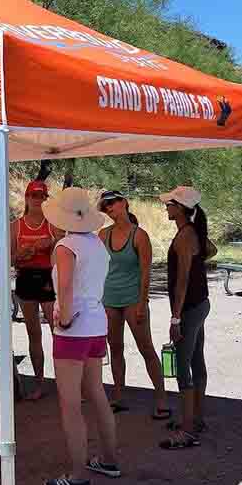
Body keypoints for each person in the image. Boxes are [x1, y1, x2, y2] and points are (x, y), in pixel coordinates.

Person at [40, 188, 120, 485]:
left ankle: (77, 475)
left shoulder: (66, 246)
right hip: (97, 323)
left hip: (74, 326)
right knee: (96, 391)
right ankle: (109, 459)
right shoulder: (96, 244)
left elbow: (66, 287)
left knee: (70, 402)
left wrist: (63, 319)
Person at [97, 190, 169, 419]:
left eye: (112, 203)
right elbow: (96, 268)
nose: (109, 209)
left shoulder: (139, 236)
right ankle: (118, 396)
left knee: (145, 347)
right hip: (109, 298)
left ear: (124, 203)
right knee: (115, 348)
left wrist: (142, 302)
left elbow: (146, 273)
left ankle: (161, 398)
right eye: (105, 206)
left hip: (132, 299)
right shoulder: (102, 234)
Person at [159, 186, 217, 450]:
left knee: (184, 367)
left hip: (189, 309)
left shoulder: (184, 237)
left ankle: (187, 429)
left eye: (170, 204)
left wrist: (175, 318)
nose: (166, 208)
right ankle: (196, 418)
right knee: (197, 360)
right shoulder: (194, 233)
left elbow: (181, 282)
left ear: (180, 208)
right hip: (201, 304)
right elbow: (210, 249)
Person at [11, 180, 61, 401]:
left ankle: (64, 382)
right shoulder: (16, 226)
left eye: (42, 196)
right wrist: (26, 252)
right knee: (34, 334)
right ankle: (40, 382)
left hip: (48, 278)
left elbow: (65, 253)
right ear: (27, 198)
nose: (38, 200)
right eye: (34, 196)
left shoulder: (54, 224)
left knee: (57, 331)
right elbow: (10, 258)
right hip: (25, 278)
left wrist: (50, 244)